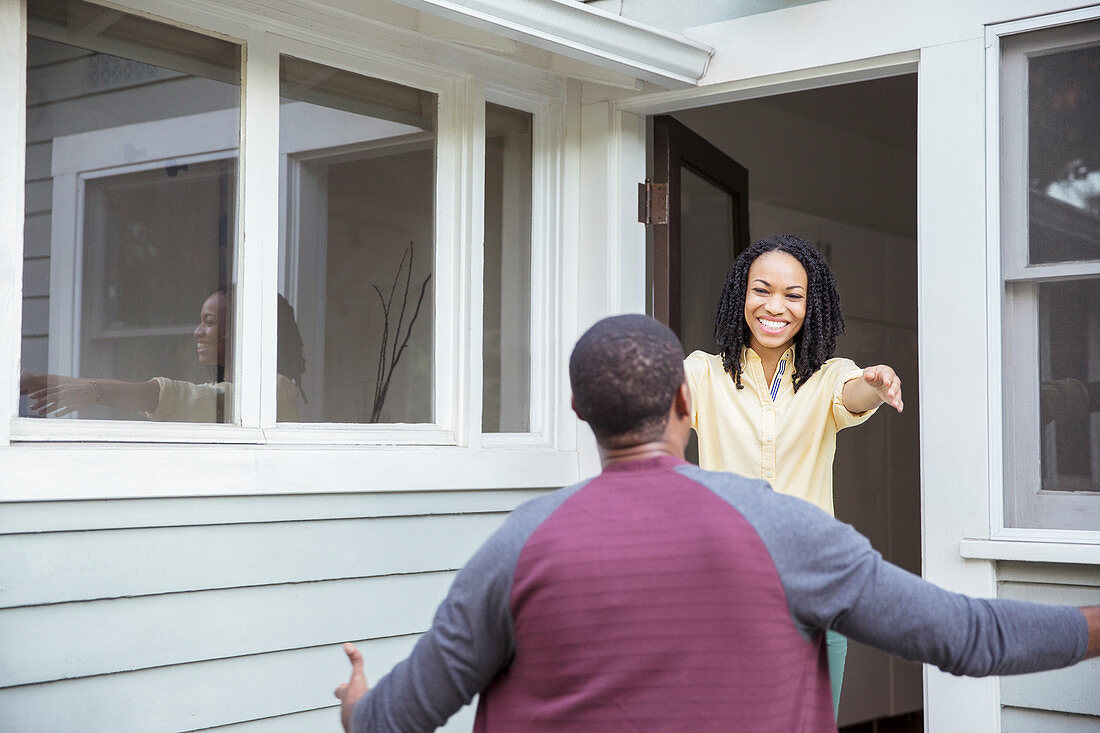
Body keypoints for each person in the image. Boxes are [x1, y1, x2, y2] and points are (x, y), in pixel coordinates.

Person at [333, 314, 1099, 733]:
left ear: (580, 414)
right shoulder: (786, 531)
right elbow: (969, 635)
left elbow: (393, 722)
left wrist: (357, 700)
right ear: (686, 404)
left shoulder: (517, 543)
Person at [684, 233, 903, 712]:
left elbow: (852, 394)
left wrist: (876, 382)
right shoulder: (704, 374)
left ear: (812, 304)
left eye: (793, 295)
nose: (775, 307)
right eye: (761, 290)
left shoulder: (827, 375)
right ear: (740, 293)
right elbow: (658, 398)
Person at [21, 290, 306, 422]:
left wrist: (94, 392)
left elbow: (170, 396)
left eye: (209, 321)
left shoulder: (275, 390)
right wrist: (36, 380)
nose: (198, 332)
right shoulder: (229, 390)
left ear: (243, 329)